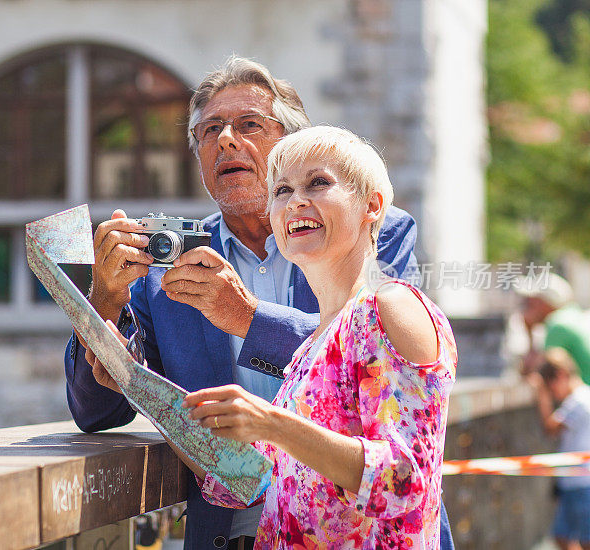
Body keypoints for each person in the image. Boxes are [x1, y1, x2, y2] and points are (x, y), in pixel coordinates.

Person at [64, 56, 453, 549]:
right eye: (209, 131)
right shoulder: (165, 262)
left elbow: (366, 359)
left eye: (248, 124)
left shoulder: (379, 237)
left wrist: (246, 318)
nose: (226, 140)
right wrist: (104, 300)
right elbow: (97, 413)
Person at [180, 125, 457, 548]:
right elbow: (245, 482)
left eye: (318, 183)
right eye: (283, 190)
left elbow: (405, 480)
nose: (296, 202)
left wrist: (273, 424)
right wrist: (136, 387)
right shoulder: (312, 344)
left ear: (372, 205)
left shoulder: (388, 307)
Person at [528, 348, 590, 550]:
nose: (554, 394)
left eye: (551, 387)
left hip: (582, 483)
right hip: (574, 482)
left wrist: (542, 395)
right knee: (563, 536)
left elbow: (550, 427)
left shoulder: (578, 401)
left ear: (561, 375)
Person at [519, 274, 590, 384]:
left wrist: (529, 334)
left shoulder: (557, 324)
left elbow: (536, 374)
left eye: (531, 301)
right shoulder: (574, 315)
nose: (527, 305)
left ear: (544, 302)